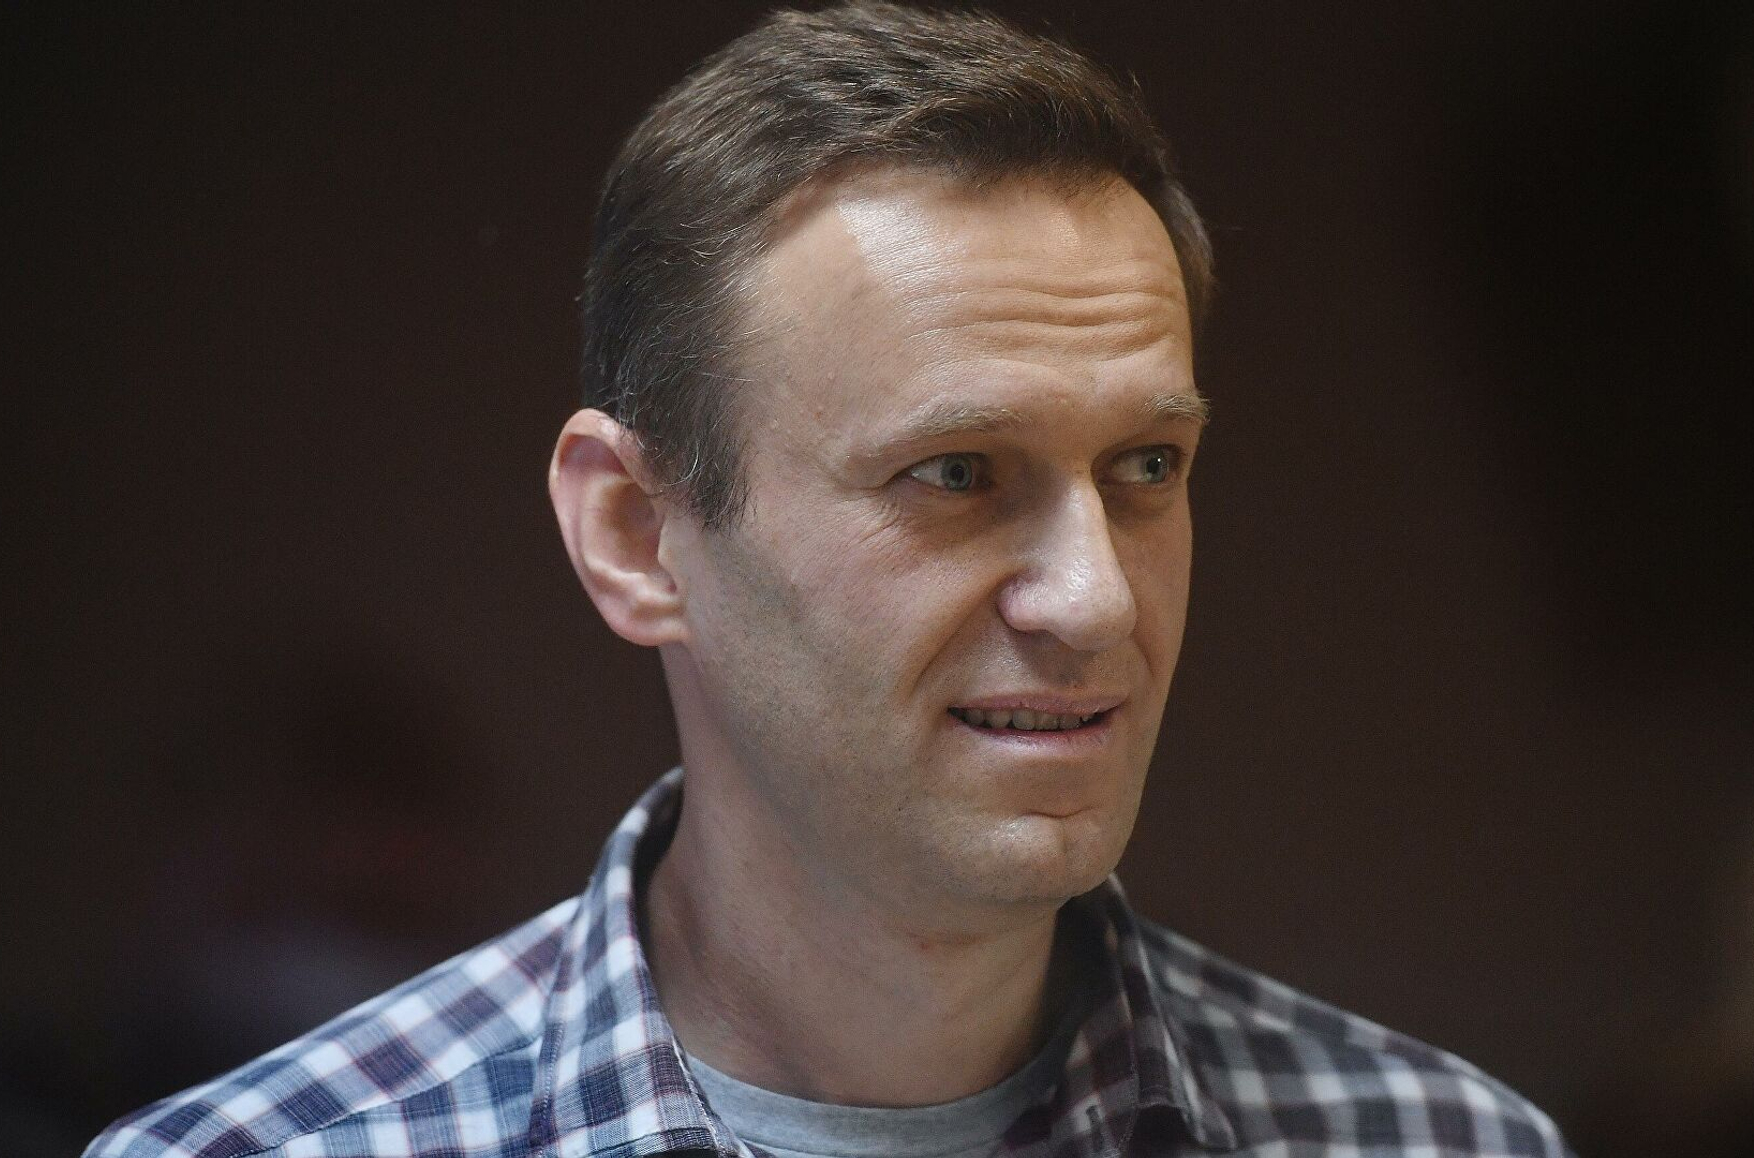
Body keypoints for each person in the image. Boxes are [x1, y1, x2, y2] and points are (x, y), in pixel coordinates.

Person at [87, 3, 1573, 1155]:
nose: (1098, 603)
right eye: (956, 473)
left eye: (1145, 465)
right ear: (635, 535)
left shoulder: (1438, 1140)